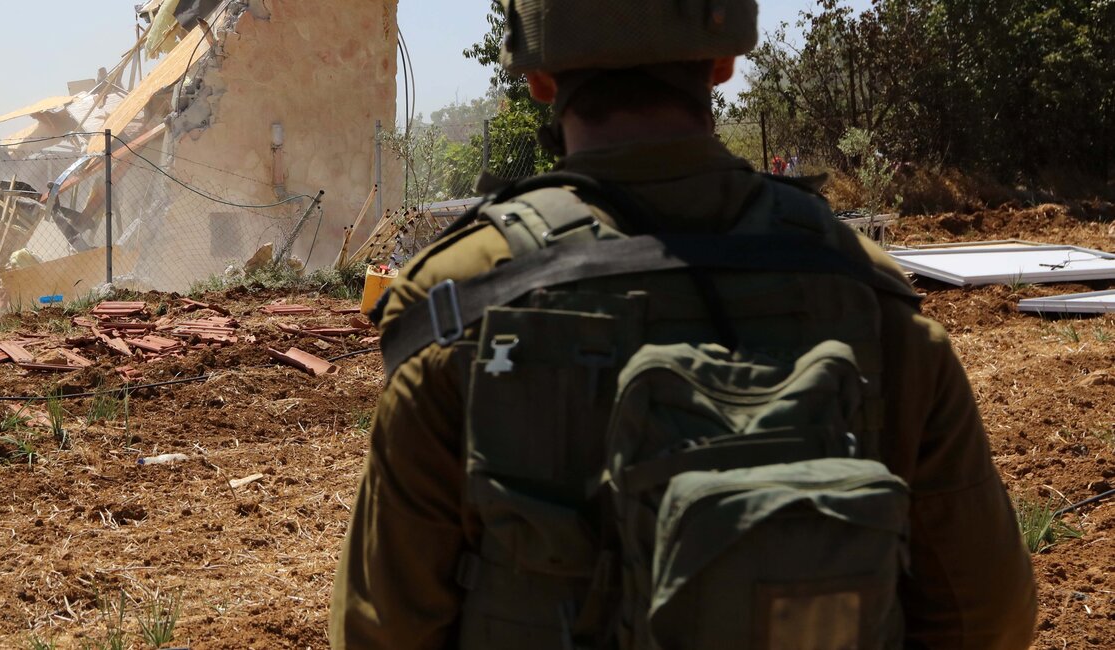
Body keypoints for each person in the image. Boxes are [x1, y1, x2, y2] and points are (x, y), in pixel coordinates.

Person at [329, 1, 1037, 648]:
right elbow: (987, 617)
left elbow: (383, 628)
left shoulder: (459, 306)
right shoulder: (869, 299)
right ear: (724, 60)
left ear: (539, 76)